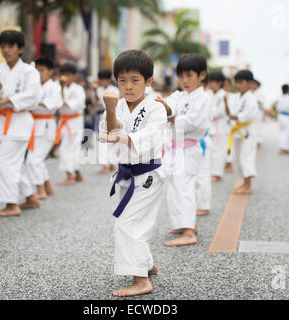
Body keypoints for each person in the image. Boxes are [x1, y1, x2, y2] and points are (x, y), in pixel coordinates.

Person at [98, 50, 166, 297]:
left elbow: (151, 138)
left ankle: (141, 280)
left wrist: (123, 136)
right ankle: (147, 264)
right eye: (122, 80)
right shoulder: (117, 105)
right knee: (132, 221)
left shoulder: (155, 109)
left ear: (149, 81)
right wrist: (110, 109)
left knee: (128, 223)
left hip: (147, 175)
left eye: (135, 80)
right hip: (126, 175)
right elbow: (109, 131)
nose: (128, 86)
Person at [0, 30, 42, 217]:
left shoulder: (29, 71)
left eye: (10, 46)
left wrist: (8, 100)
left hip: (20, 120)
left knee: (3, 161)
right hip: (3, 121)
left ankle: (11, 204)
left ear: (20, 49)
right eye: (3, 46)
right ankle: (30, 197)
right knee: (13, 162)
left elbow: (33, 96)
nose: (6, 50)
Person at [157, 53, 211, 246]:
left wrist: (172, 119)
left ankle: (189, 232)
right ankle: (184, 224)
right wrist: (162, 106)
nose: (184, 80)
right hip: (174, 150)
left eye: (189, 76)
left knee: (185, 188)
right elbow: (169, 108)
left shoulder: (203, 98)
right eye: (181, 76)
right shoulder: (179, 95)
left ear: (202, 75)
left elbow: (195, 122)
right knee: (174, 189)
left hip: (188, 149)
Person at [26, 57, 62, 199]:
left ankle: (40, 189)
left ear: (50, 72)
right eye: (37, 70)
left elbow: (50, 104)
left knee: (33, 160)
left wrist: (31, 101)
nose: (38, 73)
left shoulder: (54, 87)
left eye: (42, 70)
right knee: (36, 159)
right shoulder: (33, 85)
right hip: (34, 124)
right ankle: (47, 187)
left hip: (46, 125)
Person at [224, 70, 259, 195]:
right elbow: (232, 112)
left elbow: (246, 115)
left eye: (241, 82)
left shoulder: (251, 99)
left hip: (248, 133)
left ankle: (248, 185)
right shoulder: (239, 97)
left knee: (246, 158)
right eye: (236, 83)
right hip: (239, 131)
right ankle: (244, 182)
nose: (238, 85)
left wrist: (234, 117)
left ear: (250, 83)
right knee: (239, 159)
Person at [56, 63, 86, 186]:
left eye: (68, 75)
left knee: (67, 149)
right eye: (63, 75)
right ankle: (77, 174)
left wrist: (62, 89)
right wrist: (61, 88)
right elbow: (56, 103)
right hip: (64, 121)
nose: (65, 77)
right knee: (69, 148)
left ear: (74, 76)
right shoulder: (59, 88)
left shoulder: (78, 89)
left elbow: (70, 105)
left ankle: (70, 176)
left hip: (74, 122)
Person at [95, 69, 119, 174]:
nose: (101, 82)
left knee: (110, 141)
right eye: (100, 80)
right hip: (103, 116)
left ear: (108, 80)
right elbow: (100, 102)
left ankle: (109, 164)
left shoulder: (114, 90)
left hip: (113, 115)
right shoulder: (99, 90)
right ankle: (107, 164)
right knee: (103, 141)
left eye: (103, 80)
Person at [208, 70, 228, 182]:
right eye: (210, 82)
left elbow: (221, 111)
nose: (211, 84)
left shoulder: (223, 95)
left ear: (220, 82)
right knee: (210, 151)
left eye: (213, 82)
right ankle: (211, 172)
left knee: (218, 151)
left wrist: (210, 112)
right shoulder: (208, 94)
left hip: (219, 127)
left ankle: (217, 173)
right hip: (209, 126)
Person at [276, 84, 289, 155]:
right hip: (287, 117)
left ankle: (286, 149)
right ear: (288, 90)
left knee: (283, 132)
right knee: (287, 133)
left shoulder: (279, 98)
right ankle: (283, 149)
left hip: (281, 116)